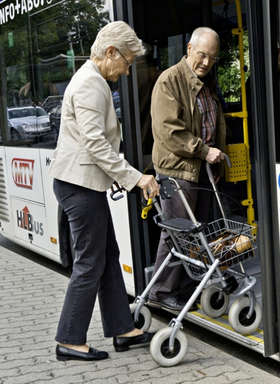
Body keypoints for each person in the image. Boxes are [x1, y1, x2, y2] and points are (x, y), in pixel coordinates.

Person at [49, 21, 159, 361]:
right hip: (78, 186)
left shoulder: (91, 80)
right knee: (90, 262)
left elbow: (93, 144)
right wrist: (137, 178)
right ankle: (69, 339)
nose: (127, 70)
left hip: (81, 183)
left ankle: (122, 329)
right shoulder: (90, 85)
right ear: (110, 52)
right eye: (126, 61)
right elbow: (95, 144)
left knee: (107, 257)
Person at [148, 27, 227, 311]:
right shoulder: (170, 81)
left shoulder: (204, 83)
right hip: (178, 171)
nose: (206, 62)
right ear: (190, 48)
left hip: (201, 170)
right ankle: (160, 291)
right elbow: (169, 131)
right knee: (177, 233)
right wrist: (206, 151)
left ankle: (186, 287)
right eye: (202, 55)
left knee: (197, 233)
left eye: (212, 58)